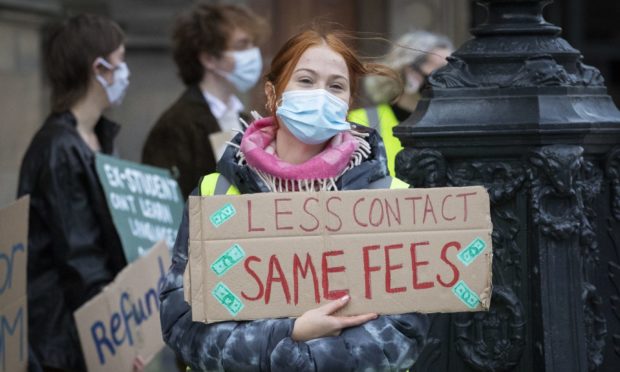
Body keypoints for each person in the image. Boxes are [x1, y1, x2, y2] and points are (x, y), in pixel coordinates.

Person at [159, 27, 429, 371]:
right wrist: (290, 333)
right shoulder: (217, 193)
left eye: (335, 86)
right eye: (305, 80)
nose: (320, 95)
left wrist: (296, 356)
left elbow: (402, 330)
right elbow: (181, 319)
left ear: (347, 103)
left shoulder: (389, 199)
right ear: (274, 94)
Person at [17, 14, 136, 372]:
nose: (126, 72)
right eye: (119, 60)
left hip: (83, 331)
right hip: (63, 339)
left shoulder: (95, 137)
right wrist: (117, 340)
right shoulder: (58, 148)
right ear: (96, 68)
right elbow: (80, 258)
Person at [142, 2, 268, 199]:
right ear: (209, 58)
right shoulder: (175, 125)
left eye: (253, 45)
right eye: (241, 46)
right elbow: (167, 205)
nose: (253, 54)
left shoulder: (246, 120)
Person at [348, 30, 454, 176]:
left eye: (453, 72)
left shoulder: (453, 124)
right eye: (440, 71)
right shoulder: (360, 121)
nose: (449, 79)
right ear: (411, 72)